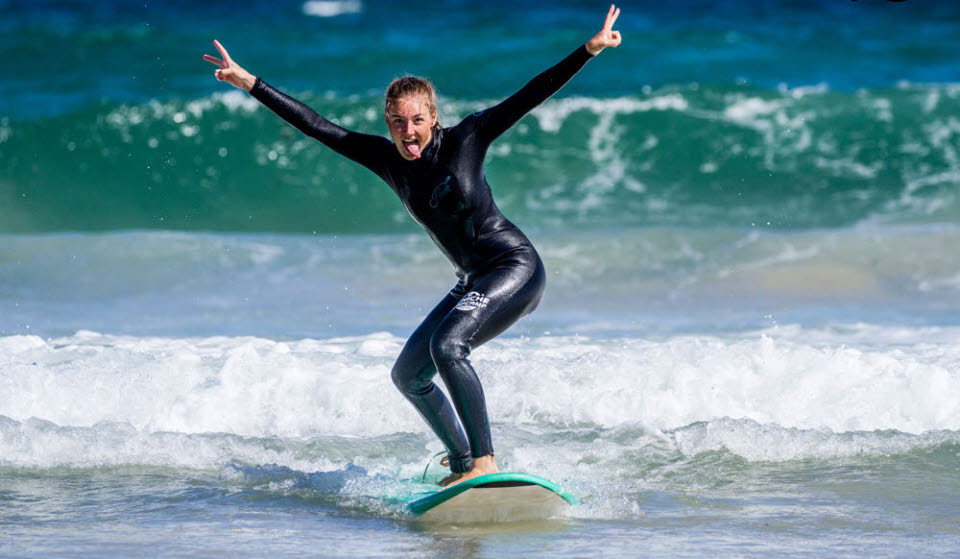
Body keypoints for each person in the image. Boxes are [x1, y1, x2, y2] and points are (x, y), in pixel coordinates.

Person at [204, 5, 622, 487]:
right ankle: (464, 462)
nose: (409, 132)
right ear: (388, 122)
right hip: (473, 279)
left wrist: (589, 51)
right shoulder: (387, 160)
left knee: (448, 346)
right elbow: (316, 126)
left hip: (514, 267)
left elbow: (531, 93)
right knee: (408, 375)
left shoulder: (468, 138)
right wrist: (251, 83)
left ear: (433, 117)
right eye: (398, 123)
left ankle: (486, 460)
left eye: (417, 121)